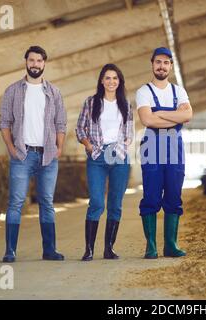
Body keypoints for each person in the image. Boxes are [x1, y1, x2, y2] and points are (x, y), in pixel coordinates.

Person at [0, 45, 67, 263]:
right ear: (26, 62)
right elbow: (4, 123)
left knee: (47, 202)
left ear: (44, 63)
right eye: (31, 60)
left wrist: (59, 148)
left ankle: (49, 250)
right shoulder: (13, 90)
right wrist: (11, 149)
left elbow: (61, 123)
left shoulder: (54, 92)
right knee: (16, 202)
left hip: (48, 155)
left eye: (39, 60)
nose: (35, 64)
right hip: (22, 154)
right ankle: (10, 251)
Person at [136, 47, 193, 259]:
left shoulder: (179, 91)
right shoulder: (143, 91)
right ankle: (150, 246)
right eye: (158, 62)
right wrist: (174, 115)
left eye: (166, 62)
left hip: (174, 147)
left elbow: (188, 115)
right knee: (151, 195)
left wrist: (159, 112)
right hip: (152, 145)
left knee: (173, 194)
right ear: (152, 64)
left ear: (170, 66)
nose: (162, 66)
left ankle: (170, 245)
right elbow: (147, 120)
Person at [76, 64, 133, 261]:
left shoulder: (125, 104)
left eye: (115, 78)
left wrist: (124, 146)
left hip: (119, 156)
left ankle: (109, 248)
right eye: (107, 78)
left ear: (120, 81)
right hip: (97, 156)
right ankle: (89, 249)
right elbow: (80, 129)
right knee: (97, 203)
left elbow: (129, 132)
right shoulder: (91, 102)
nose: (111, 82)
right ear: (101, 81)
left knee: (115, 205)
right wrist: (89, 145)